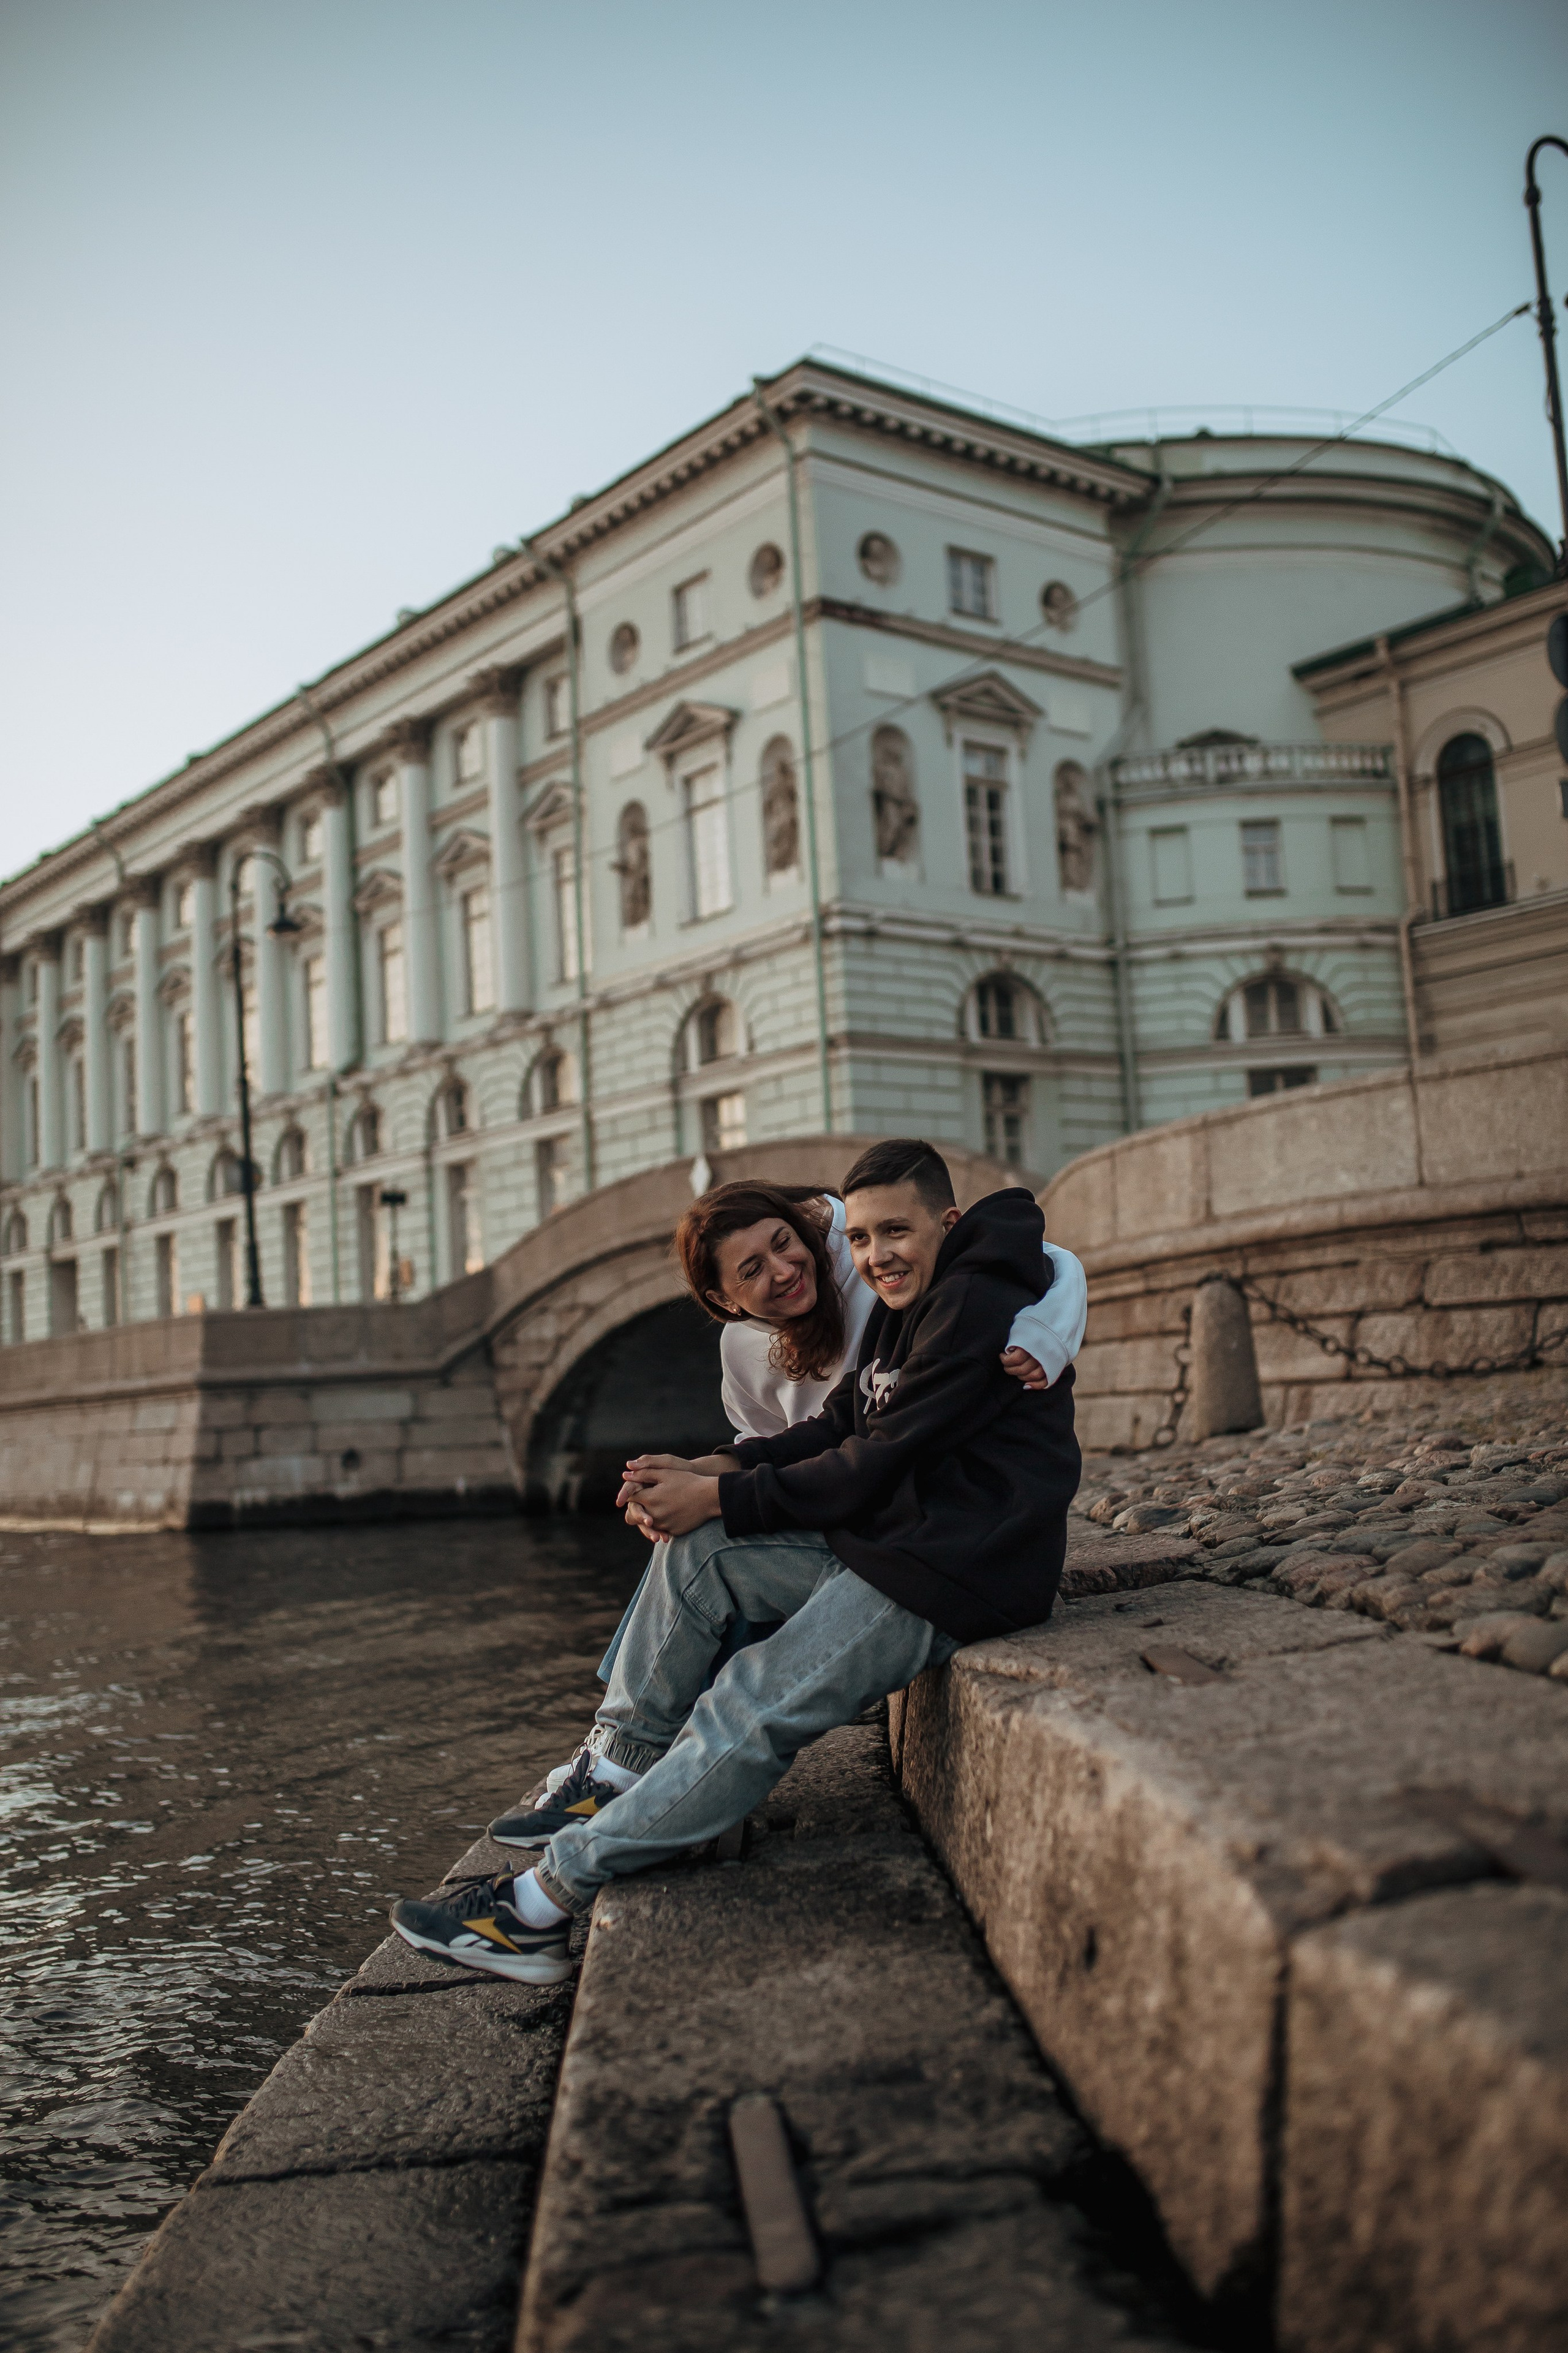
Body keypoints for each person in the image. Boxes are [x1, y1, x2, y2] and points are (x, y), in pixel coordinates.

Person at [389, 1140, 1080, 1985]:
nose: (874, 1256)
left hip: (955, 1573)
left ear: (948, 1222)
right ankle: (620, 1768)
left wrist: (720, 1495)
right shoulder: (910, 1299)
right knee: (703, 1552)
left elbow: (875, 1461)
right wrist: (713, 1471)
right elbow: (836, 1428)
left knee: (748, 1701)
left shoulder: (973, 1306)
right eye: (861, 1240)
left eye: (895, 1232)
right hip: (903, 1541)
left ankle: (540, 1906)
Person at [503, 1177, 1084, 1824]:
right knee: (694, 1547)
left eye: (784, 1244)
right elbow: (801, 1436)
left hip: (912, 1536)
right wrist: (699, 1474)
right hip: (842, 1516)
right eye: (752, 1270)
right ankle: (617, 1756)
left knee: (731, 1636)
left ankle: (631, 1790)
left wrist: (1051, 1329)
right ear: (724, 1302)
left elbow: (1038, 1256)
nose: (783, 1270)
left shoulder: (870, 1270)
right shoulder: (742, 1350)